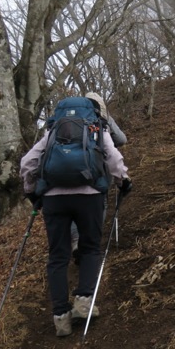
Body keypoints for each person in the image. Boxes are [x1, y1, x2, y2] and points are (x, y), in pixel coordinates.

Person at [20, 101, 132, 337]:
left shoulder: (51, 132)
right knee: (90, 248)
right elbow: (112, 157)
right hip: (89, 195)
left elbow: (27, 162)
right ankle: (83, 302)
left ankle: (61, 318)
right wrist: (123, 181)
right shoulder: (97, 128)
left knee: (57, 256)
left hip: (53, 198)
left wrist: (32, 191)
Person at [70, 92, 127, 263]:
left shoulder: (70, 121)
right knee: (100, 203)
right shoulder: (103, 118)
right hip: (98, 170)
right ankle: (89, 242)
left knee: (74, 207)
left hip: (72, 169)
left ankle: (75, 241)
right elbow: (122, 139)